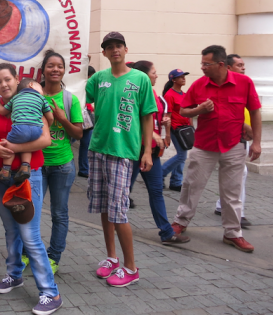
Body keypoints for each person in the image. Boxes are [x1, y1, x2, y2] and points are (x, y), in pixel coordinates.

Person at [0, 63, 63, 315]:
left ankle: (50, 292)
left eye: (7, 79)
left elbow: (45, 139)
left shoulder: (31, 99)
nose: (4, 85)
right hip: (1, 177)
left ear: (16, 79)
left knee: (29, 234)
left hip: (29, 177)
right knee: (11, 230)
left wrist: (10, 149)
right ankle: (14, 274)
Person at [171, 46, 261, 253]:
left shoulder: (243, 83)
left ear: (221, 64)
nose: (202, 67)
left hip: (234, 145)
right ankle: (180, 222)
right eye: (202, 63)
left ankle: (233, 233)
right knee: (192, 185)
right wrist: (199, 110)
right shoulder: (199, 85)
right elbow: (184, 109)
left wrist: (256, 142)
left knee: (232, 192)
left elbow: (255, 111)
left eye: (206, 64)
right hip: (204, 145)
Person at [86, 32, 157, 287]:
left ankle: (131, 267)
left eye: (118, 46)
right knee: (105, 207)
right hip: (97, 149)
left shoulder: (139, 79)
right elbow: (84, 100)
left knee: (119, 212)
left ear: (126, 49)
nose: (114, 50)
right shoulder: (98, 79)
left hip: (123, 152)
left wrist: (147, 151)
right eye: (109, 47)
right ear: (104, 53)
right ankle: (111, 258)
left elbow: (148, 115)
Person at [128, 61, 189, 244]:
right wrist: (152, 134)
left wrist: (165, 128)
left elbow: (159, 118)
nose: (156, 76)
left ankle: (166, 232)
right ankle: (115, 224)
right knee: (123, 193)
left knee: (156, 191)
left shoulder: (157, 97)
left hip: (152, 154)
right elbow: (131, 121)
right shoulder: (132, 95)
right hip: (133, 153)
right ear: (143, 76)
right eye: (153, 72)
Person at [39, 50, 84, 272]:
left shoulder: (70, 99)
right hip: (36, 165)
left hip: (62, 165)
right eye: (51, 66)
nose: (55, 69)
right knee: (30, 211)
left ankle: (53, 257)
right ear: (43, 70)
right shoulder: (33, 95)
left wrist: (62, 119)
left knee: (59, 213)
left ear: (64, 71)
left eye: (59, 66)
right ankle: (28, 253)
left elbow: (78, 134)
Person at [214, 54, 252, 228]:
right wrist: (244, 126)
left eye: (243, 65)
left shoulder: (245, 84)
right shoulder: (226, 86)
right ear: (228, 68)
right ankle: (238, 214)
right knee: (239, 174)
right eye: (239, 65)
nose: (243, 68)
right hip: (234, 137)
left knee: (235, 174)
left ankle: (221, 206)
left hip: (244, 136)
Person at [0, 78, 54, 184]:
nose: (42, 91)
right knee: (28, 144)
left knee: (9, 145)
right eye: (40, 87)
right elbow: (51, 117)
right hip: (36, 130)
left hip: (20, 129)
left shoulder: (16, 97)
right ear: (31, 85)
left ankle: (5, 170)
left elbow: (2, 111)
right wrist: (48, 125)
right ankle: (25, 166)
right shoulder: (41, 98)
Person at [161, 69, 190, 191]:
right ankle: (160, 174)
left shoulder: (184, 94)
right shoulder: (169, 95)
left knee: (182, 154)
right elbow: (168, 115)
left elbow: (188, 113)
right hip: (175, 128)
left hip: (185, 129)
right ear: (173, 80)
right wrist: (167, 133)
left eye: (184, 76)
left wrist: (191, 127)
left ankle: (176, 182)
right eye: (180, 77)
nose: (184, 78)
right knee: (182, 156)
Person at [77, 65, 97, 177]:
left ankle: (84, 169)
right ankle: (84, 169)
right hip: (82, 116)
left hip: (86, 117)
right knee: (83, 142)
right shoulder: (81, 84)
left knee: (86, 143)